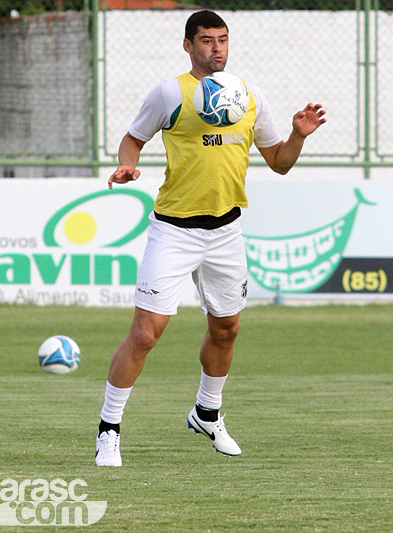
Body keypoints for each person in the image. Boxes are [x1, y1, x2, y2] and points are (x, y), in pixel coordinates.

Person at [95, 10, 326, 466]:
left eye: (222, 39)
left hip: (225, 231)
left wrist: (298, 137)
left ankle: (207, 413)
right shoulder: (170, 93)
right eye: (206, 40)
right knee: (145, 334)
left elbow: (279, 162)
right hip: (174, 230)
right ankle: (109, 429)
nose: (216, 48)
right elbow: (133, 138)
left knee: (227, 328)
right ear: (188, 45)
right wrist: (126, 165)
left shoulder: (249, 95)